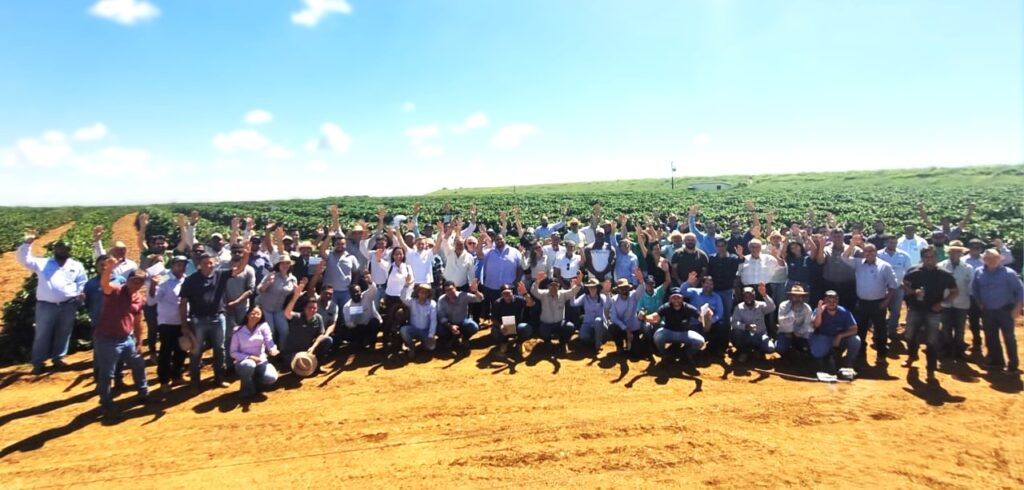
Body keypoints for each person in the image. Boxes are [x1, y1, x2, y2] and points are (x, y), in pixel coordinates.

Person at [179, 245, 251, 394]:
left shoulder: (220, 274)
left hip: (218, 318)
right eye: (205, 263)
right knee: (196, 351)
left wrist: (246, 254)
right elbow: (183, 302)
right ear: (199, 264)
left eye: (211, 263)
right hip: (198, 320)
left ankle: (219, 378)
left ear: (215, 263)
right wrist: (184, 325)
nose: (209, 265)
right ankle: (195, 383)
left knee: (220, 349)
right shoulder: (191, 280)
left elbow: (239, 269)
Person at [16, 232, 88, 375]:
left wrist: (80, 293)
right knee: (42, 334)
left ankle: (58, 358)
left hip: (69, 305)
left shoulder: (76, 265)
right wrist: (27, 244)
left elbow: (82, 281)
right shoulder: (43, 263)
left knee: (64, 332)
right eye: (59, 249)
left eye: (65, 249)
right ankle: (38, 363)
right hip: (46, 306)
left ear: (69, 251)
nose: (62, 251)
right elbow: (24, 260)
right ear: (54, 250)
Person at [93, 265, 150, 418]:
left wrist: (139, 341)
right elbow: (104, 284)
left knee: (138, 364)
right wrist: (109, 268)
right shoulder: (116, 290)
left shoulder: (139, 298)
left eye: (141, 281)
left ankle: (143, 393)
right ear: (128, 279)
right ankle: (106, 402)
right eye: (134, 279)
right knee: (107, 373)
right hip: (106, 339)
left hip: (126, 339)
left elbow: (138, 321)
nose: (137, 283)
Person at [902, 246, 958, 381]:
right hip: (915, 308)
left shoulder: (944, 274)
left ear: (936, 258)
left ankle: (931, 369)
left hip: (934, 311)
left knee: (932, 340)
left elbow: (954, 291)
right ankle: (912, 355)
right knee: (910, 335)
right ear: (922, 258)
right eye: (926, 257)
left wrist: (943, 304)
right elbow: (904, 285)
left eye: (932, 257)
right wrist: (913, 292)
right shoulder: (914, 272)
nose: (929, 259)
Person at [843, 236, 898, 364]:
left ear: (876, 252)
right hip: (862, 303)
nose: (869, 253)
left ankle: (881, 355)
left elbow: (893, 286)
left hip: (878, 304)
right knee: (861, 329)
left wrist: (886, 301)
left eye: (872, 251)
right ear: (863, 253)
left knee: (880, 330)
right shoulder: (858, 263)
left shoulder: (885, 266)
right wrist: (852, 244)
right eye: (866, 251)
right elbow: (844, 257)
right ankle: (861, 353)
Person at [971, 249, 1024, 374]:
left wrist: (1018, 308)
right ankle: (997, 361)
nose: (991, 261)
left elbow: (1020, 291)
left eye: (994, 258)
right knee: (991, 337)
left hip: (1005, 311)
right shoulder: (979, 272)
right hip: (988, 311)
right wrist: (980, 303)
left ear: (1000, 259)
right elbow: (975, 289)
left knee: (1009, 338)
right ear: (984, 260)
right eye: (988, 258)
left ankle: (1013, 365)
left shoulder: (1009, 273)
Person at [152, 255, 188, 391]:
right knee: (166, 352)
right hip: (167, 322)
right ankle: (164, 380)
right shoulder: (164, 278)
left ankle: (177, 376)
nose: (181, 267)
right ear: (172, 266)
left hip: (183, 321)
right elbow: (154, 298)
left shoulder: (186, 279)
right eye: (178, 265)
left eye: (183, 265)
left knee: (181, 350)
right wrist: (153, 286)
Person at [281, 278, 333, 373]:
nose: (312, 310)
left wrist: (313, 347)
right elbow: (287, 313)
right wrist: (295, 296)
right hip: (292, 352)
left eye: (314, 308)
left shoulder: (318, 318)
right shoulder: (297, 316)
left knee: (327, 340)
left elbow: (321, 335)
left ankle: (317, 365)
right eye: (310, 307)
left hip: (308, 350)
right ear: (304, 308)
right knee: (298, 367)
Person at [229, 304, 280, 398]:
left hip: (261, 361)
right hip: (243, 363)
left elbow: (269, 341)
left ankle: (253, 383)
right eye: (253, 313)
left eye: (258, 314)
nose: (255, 316)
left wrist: (273, 349)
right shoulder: (237, 330)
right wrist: (249, 357)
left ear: (261, 316)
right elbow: (233, 352)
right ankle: (245, 388)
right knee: (249, 364)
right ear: (247, 315)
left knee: (271, 377)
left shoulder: (264, 326)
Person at [645, 287, 703, 364]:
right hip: (668, 332)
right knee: (657, 335)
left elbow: (701, 318)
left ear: (682, 298)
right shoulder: (666, 307)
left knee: (700, 341)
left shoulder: (688, 308)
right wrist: (644, 317)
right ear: (670, 299)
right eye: (674, 297)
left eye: (678, 297)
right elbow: (655, 317)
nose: (676, 300)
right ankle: (665, 354)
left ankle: (687, 354)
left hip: (684, 334)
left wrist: (706, 315)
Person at [809, 291, 861, 376]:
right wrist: (819, 313)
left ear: (838, 301)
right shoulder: (819, 310)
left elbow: (854, 329)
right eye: (829, 301)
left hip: (840, 340)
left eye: (834, 301)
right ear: (824, 301)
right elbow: (816, 325)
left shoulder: (844, 312)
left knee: (856, 340)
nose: (831, 303)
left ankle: (848, 363)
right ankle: (826, 360)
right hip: (823, 338)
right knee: (817, 353)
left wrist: (840, 336)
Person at [938, 240, 974, 359]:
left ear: (961, 253)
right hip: (945, 302)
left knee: (960, 328)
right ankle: (947, 349)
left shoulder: (968, 268)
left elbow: (971, 286)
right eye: (952, 251)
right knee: (946, 327)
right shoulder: (941, 266)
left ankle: (959, 351)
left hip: (962, 302)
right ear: (949, 252)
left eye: (957, 252)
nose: (954, 254)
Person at [531, 271, 583, 352]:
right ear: (548, 287)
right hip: (546, 324)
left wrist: (579, 282)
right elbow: (534, 291)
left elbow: (573, 291)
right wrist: (537, 281)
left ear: (559, 287)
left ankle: (563, 343)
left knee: (569, 327)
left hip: (559, 323)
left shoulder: (563, 294)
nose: (553, 287)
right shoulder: (543, 294)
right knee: (543, 330)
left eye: (556, 286)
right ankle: (547, 343)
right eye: (551, 285)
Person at [257, 254, 298, 349]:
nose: (285, 265)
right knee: (270, 331)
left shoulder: (293, 279)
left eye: (287, 263)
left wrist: (298, 291)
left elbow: (294, 294)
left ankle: (282, 351)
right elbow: (258, 290)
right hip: (265, 308)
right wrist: (267, 283)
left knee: (284, 330)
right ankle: (268, 352)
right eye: (282, 263)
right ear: (278, 265)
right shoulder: (271, 275)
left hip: (278, 310)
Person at [878, 235, 913, 345]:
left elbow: (910, 272)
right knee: (880, 310)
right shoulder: (878, 254)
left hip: (898, 288)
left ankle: (892, 331)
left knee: (896, 311)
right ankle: (880, 332)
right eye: (890, 242)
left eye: (894, 243)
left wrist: (905, 283)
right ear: (886, 243)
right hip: (881, 288)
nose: (893, 245)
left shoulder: (904, 255)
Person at [682, 273, 727, 356]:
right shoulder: (694, 292)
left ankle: (713, 348)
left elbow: (720, 313)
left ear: (713, 286)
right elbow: (682, 292)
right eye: (706, 283)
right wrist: (688, 282)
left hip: (710, 323)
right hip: (695, 323)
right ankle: (690, 350)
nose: (708, 286)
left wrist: (710, 321)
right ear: (702, 284)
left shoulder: (717, 297)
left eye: (711, 284)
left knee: (721, 326)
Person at [730, 284, 776, 362]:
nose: (748, 298)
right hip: (745, 335)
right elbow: (734, 323)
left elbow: (772, 307)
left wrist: (764, 295)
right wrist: (745, 326)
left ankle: (758, 350)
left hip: (760, 335)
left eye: (751, 296)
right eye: (746, 296)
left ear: (754, 296)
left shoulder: (761, 305)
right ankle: (744, 351)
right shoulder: (738, 307)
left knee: (770, 348)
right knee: (736, 331)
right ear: (743, 297)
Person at [609, 272, 649, 356]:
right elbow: (613, 317)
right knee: (613, 327)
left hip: (634, 328)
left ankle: (635, 344)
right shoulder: (614, 300)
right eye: (621, 288)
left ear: (629, 288)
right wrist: (625, 328)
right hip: (622, 328)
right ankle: (619, 346)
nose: (624, 290)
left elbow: (642, 289)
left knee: (635, 354)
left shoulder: (634, 295)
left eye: (626, 288)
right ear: (618, 290)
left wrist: (641, 280)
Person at [436, 280, 484, 350]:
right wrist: (450, 326)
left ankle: (464, 338)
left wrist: (475, 291)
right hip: (448, 323)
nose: (450, 292)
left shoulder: (463, 295)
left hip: (462, 321)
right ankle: (450, 338)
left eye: (451, 289)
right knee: (439, 330)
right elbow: (441, 316)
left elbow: (480, 299)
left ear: (455, 288)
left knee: (474, 327)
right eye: (447, 290)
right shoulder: (441, 300)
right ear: (444, 291)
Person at [815, 230, 857, 310]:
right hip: (830, 285)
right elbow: (820, 261)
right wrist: (821, 247)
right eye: (834, 237)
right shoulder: (826, 249)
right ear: (831, 238)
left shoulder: (854, 249)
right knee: (830, 309)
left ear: (843, 237)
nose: (837, 238)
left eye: (839, 236)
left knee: (849, 308)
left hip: (848, 286)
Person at [708, 239, 746, 326]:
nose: (720, 248)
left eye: (722, 246)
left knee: (727, 313)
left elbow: (741, 260)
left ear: (726, 246)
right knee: (714, 312)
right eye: (718, 246)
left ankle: (727, 331)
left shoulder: (732, 258)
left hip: (727, 290)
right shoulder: (711, 258)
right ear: (716, 247)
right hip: (714, 290)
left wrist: (740, 255)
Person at [340, 273, 382, 351]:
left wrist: (370, 282)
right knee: (344, 329)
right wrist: (354, 325)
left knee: (374, 322)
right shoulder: (347, 306)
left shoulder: (367, 296)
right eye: (353, 292)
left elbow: (373, 290)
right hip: (358, 327)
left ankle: (372, 344)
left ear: (361, 291)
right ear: (350, 294)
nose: (356, 294)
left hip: (370, 325)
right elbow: (348, 322)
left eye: (357, 292)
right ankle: (359, 342)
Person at [398, 279, 437, 360]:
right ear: (418, 293)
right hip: (414, 329)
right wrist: (406, 286)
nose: (423, 294)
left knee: (431, 347)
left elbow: (433, 320)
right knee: (403, 330)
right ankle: (411, 347)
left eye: (425, 292)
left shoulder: (432, 304)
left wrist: (431, 335)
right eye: (421, 292)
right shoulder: (412, 302)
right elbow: (403, 297)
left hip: (425, 331)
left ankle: (423, 343)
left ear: (428, 294)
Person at [320, 234, 360, 309]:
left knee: (345, 313)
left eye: (342, 244)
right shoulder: (329, 255)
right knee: (330, 313)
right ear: (334, 245)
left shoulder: (351, 257)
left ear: (346, 245)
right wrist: (329, 236)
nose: (340, 246)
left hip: (346, 292)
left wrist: (353, 285)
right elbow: (322, 250)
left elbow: (356, 272)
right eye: (338, 244)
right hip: (329, 292)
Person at [572, 278, 611, 354]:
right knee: (583, 336)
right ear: (588, 288)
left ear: (597, 288)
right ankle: (595, 339)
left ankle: (598, 344)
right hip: (588, 324)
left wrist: (607, 292)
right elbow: (573, 303)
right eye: (590, 287)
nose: (592, 289)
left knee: (598, 320)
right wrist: (573, 290)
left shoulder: (602, 296)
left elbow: (607, 306)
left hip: (601, 326)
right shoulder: (584, 297)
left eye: (594, 287)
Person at [776, 284, 814, 357]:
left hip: (800, 334)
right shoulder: (783, 305)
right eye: (795, 296)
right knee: (780, 349)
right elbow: (781, 322)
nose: (797, 298)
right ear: (790, 296)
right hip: (785, 333)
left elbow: (807, 325)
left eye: (800, 296)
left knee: (807, 349)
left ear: (803, 297)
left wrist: (797, 333)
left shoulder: (807, 308)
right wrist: (792, 311)